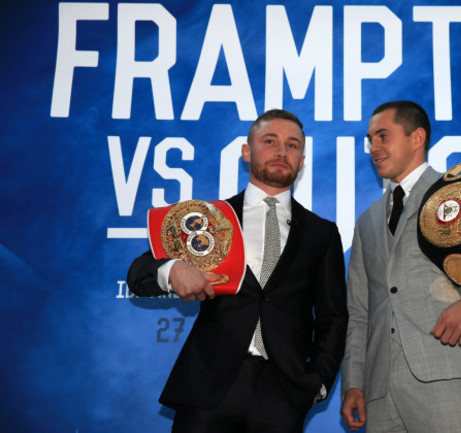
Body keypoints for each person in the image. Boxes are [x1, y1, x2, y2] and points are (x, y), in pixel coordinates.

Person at [127, 109, 348, 433]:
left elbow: (334, 317)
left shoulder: (322, 233)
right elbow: (138, 273)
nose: (281, 151)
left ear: (302, 160)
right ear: (246, 152)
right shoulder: (209, 218)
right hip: (209, 386)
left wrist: (318, 384)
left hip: (284, 392)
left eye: (292, 145)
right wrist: (173, 269)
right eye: (269, 141)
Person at [340, 101, 461, 432]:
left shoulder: (458, 189)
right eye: (370, 139)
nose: (374, 147)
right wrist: (354, 382)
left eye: (383, 136)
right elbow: (360, 311)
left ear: (417, 137)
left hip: (445, 368)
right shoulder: (367, 221)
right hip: (379, 391)